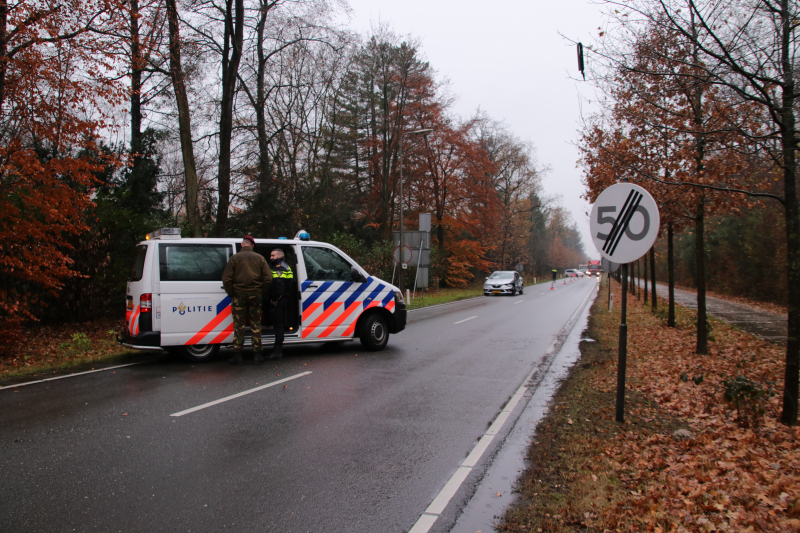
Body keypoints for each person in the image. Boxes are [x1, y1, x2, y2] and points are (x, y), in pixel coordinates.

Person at [222, 236, 272, 365]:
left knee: (239, 325)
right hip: (255, 295)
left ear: (241, 244)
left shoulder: (234, 258)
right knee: (256, 324)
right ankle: (258, 355)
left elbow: (226, 279)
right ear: (252, 246)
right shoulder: (260, 258)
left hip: (239, 295)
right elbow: (268, 278)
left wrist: (231, 293)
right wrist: (262, 292)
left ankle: (238, 355)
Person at [266, 248, 294, 359]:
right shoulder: (281, 266)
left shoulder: (280, 267)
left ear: (279, 256)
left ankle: (278, 351)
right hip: (281, 298)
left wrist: (274, 299)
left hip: (278, 299)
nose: (271, 257)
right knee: (277, 323)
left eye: (273, 256)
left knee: (278, 325)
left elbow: (279, 286)